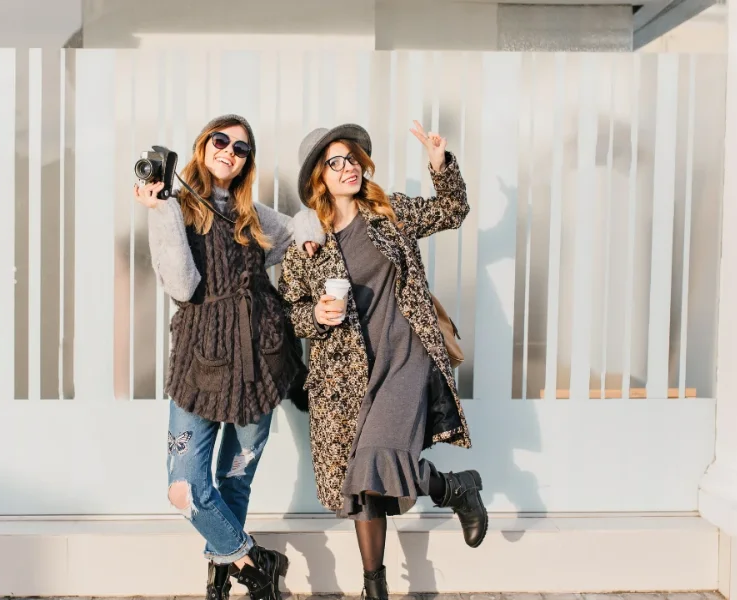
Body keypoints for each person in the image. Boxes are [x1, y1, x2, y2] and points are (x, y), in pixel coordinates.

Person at [277, 121, 488, 600]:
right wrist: (315, 313)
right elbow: (286, 312)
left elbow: (453, 210)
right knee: (362, 485)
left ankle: (453, 489)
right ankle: (381, 581)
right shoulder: (306, 240)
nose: (348, 167)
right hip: (342, 377)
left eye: (351, 158)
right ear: (319, 178)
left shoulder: (388, 212)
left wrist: (440, 164)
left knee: (375, 459)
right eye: (335, 162)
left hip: (404, 356)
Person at [134, 114, 322, 600]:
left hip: (261, 362)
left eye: (241, 149)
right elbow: (183, 286)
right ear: (202, 146)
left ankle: (221, 582)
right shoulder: (175, 207)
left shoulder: (253, 216)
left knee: (234, 482)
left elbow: (302, 223)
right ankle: (255, 562)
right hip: (199, 367)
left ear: (246, 163)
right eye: (221, 141)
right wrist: (159, 212)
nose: (229, 152)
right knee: (185, 488)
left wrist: (310, 237)